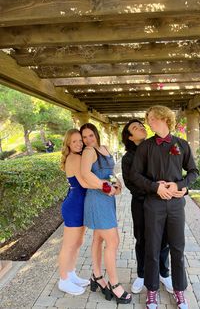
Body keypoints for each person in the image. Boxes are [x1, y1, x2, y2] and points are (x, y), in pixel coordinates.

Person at [131, 105, 198, 309]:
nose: (149, 122)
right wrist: (155, 187)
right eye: (148, 119)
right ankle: (151, 291)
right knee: (151, 248)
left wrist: (181, 186)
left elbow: (193, 172)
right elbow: (135, 175)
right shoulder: (145, 147)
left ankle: (179, 291)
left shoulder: (181, 144)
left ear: (164, 119)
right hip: (153, 205)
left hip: (176, 205)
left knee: (177, 248)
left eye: (152, 118)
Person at [80, 123, 132, 305]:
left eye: (90, 136)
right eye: (84, 137)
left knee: (98, 239)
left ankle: (96, 275)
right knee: (113, 241)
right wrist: (106, 186)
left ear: (96, 134)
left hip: (106, 199)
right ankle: (114, 284)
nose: (87, 140)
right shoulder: (88, 152)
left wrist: (117, 184)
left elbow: (109, 172)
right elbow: (85, 173)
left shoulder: (104, 149)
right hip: (96, 198)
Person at [121, 119, 173, 294]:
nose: (141, 128)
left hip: (161, 202)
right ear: (130, 137)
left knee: (164, 238)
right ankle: (142, 274)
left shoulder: (155, 146)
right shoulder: (128, 157)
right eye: (135, 128)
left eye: (141, 125)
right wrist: (153, 190)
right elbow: (130, 183)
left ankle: (163, 273)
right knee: (142, 239)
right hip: (141, 203)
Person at [58, 129, 90, 295]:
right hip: (74, 206)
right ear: (68, 144)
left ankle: (71, 274)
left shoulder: (77, 156)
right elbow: (84, 183)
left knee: (78, 243)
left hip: (79, 204)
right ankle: (63, 280)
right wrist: (105, 185)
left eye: (80, 140)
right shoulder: (75, 157)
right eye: (74, 141)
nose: (79, 144)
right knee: (69, 245)